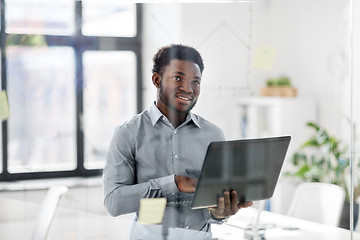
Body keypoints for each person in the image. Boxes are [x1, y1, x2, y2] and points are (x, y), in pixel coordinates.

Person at [103, 44, 252, 238]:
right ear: (157, 80)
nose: (188, 88)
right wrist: (173, 183)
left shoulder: (213, 135)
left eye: (195, 81)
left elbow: (212, 206)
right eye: (177, 78)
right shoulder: (128, 133)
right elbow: (114, 203)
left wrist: (219, 213)